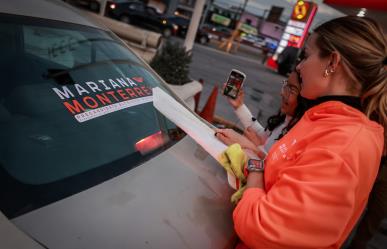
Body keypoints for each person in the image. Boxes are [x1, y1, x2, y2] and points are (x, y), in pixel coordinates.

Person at [217, 16, 386, 248]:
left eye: (306, 55)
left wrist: (255, 164)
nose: (298, 66)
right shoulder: (325, 120)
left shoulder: (343, 143)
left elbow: (262, 228)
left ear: (333, 63)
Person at [219, 71, 306, 155]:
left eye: (292, 90)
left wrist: (257, 146)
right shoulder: (286, 119)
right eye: (286, 84)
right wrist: (239, 105)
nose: (282, 93)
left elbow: (275, 165)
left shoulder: (302, 134)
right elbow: (263, 136)